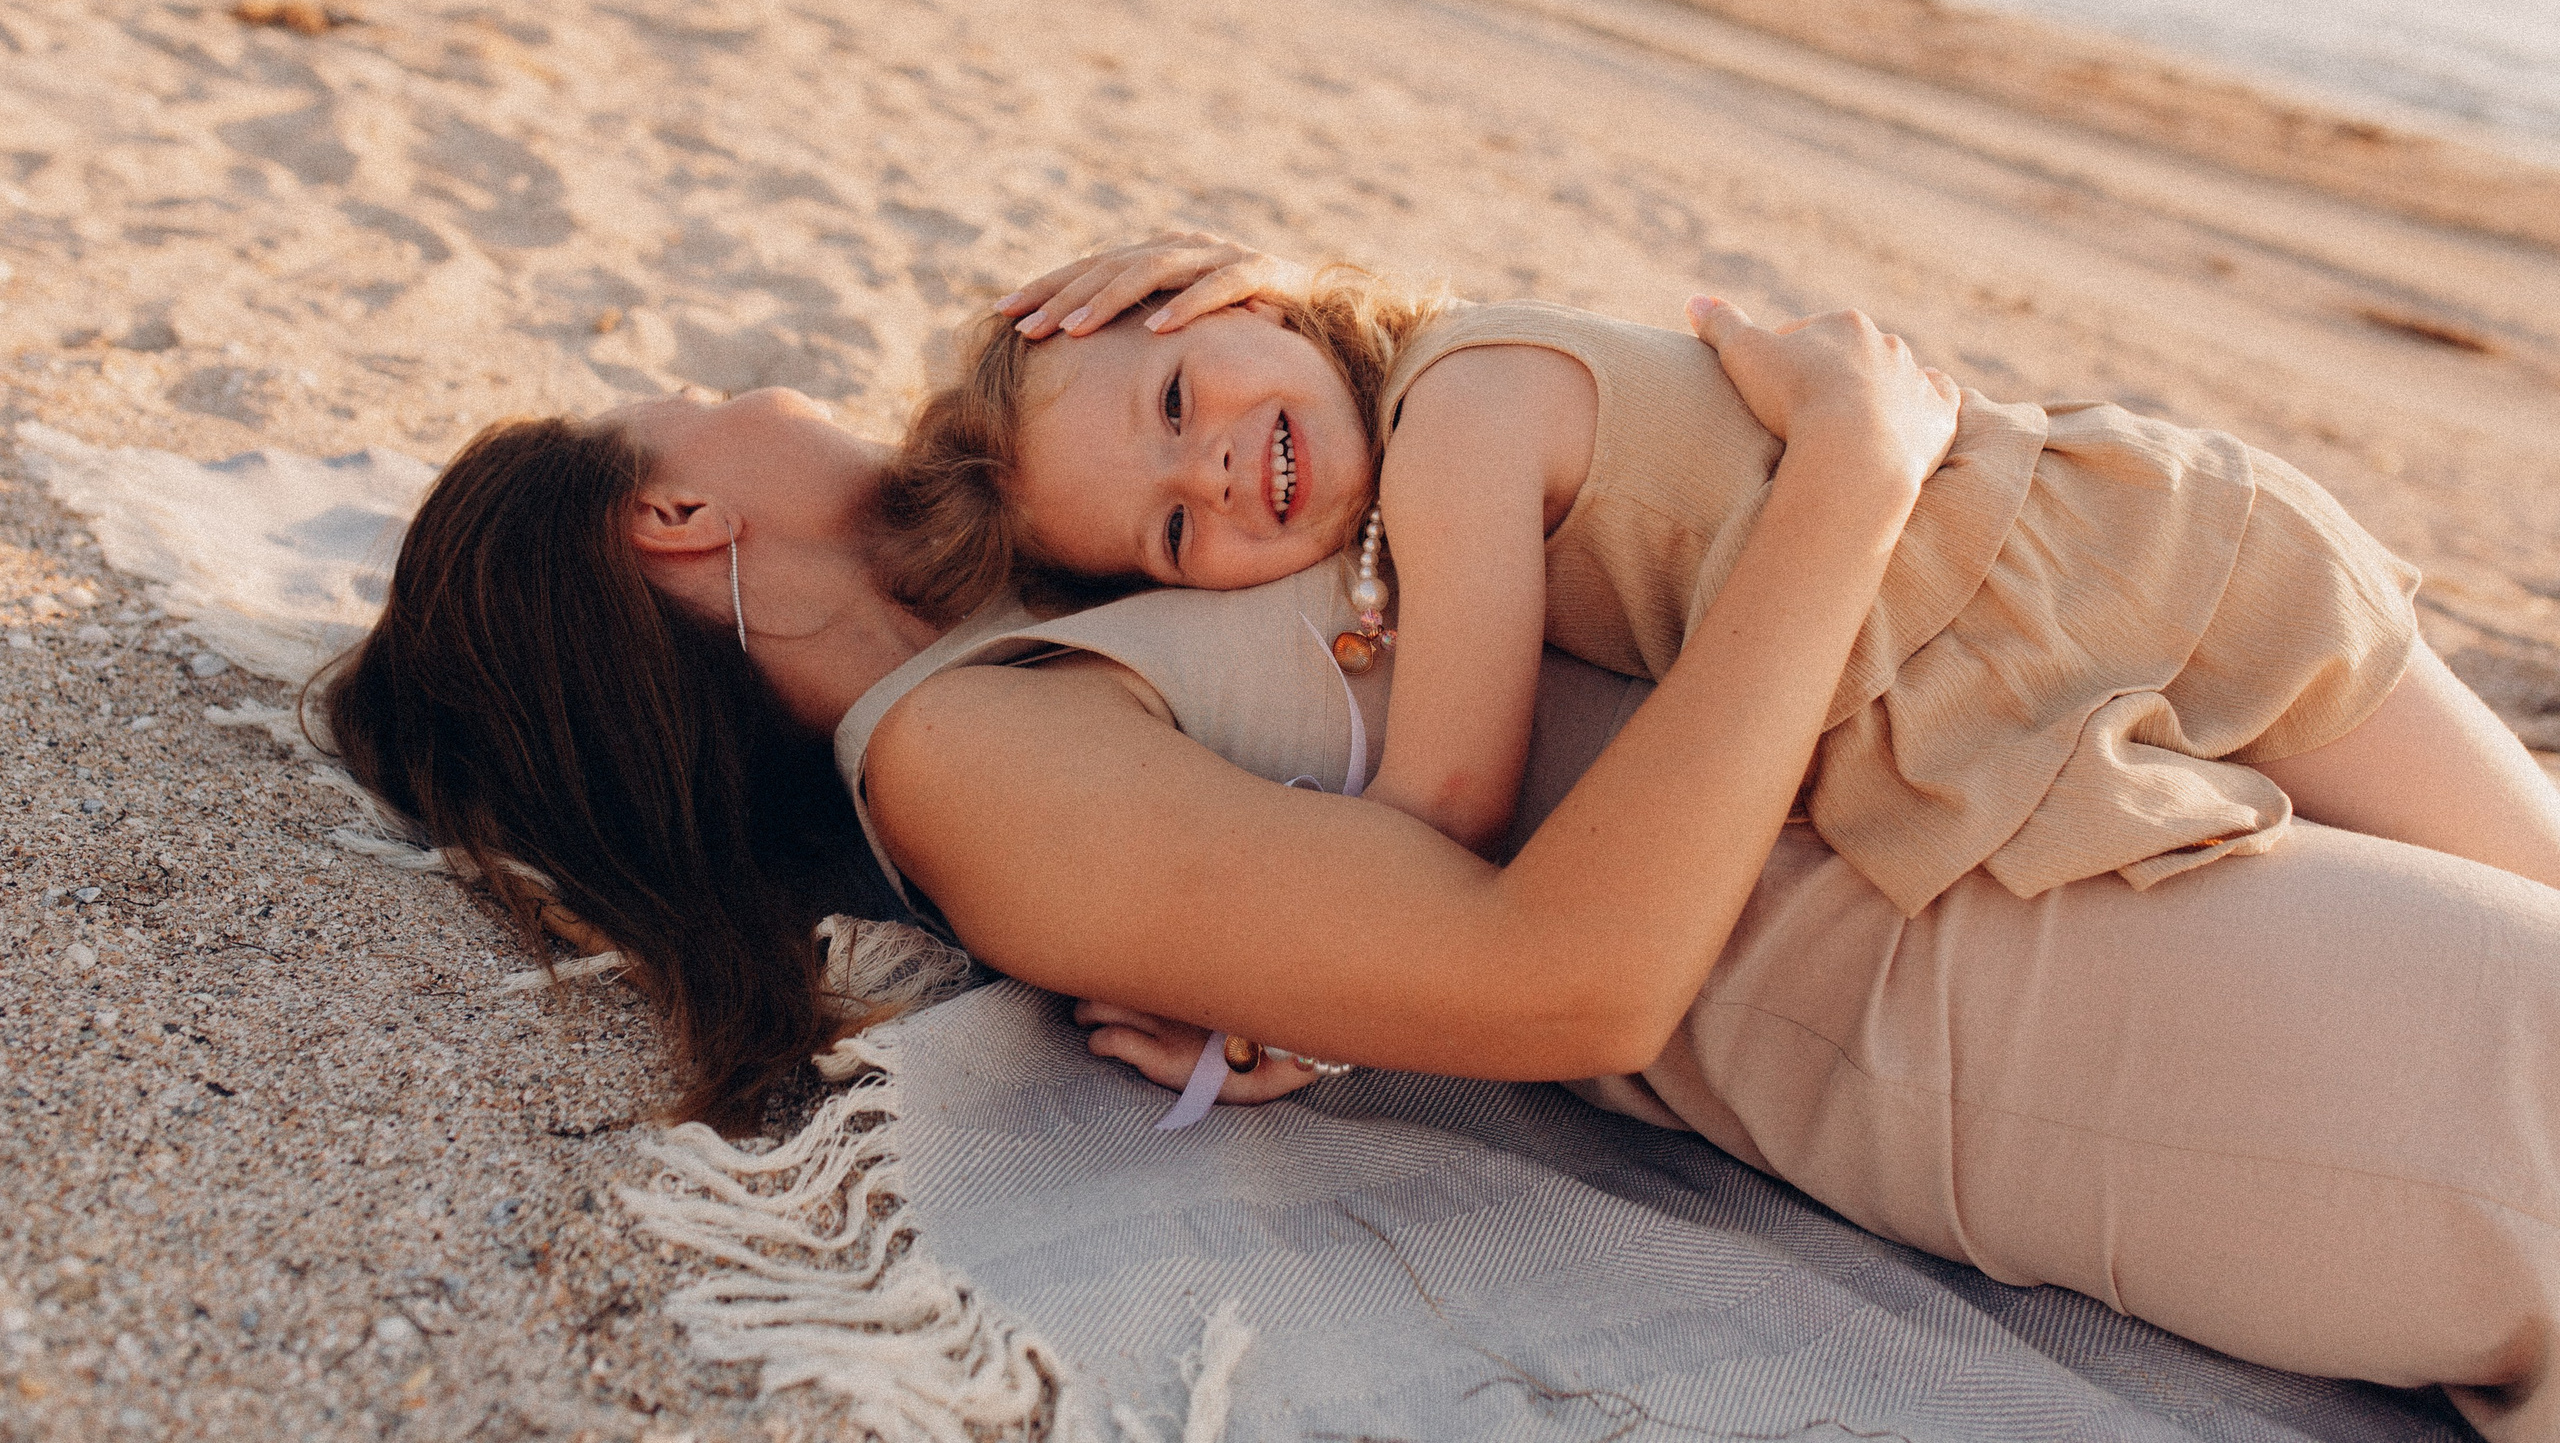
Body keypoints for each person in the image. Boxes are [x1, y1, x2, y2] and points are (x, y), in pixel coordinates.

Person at [318, 234, 2560, 1436]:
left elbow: (1415, 489)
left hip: (2059, 771)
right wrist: (1850, 477)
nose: (756, 378)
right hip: (1998, 981)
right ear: (674, 508)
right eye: (694, 398)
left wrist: (1261, 288)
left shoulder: (1055, 587)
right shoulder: (967, 768)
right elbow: (1556, 981)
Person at [875, 257, 2560, 917]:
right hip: (2039, 652)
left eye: (1183, 403)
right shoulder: (1404, 428)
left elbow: (1446, 800)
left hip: (2163, 573)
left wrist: (1283, 1000)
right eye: (1173, 532)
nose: (1222, 475)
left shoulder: (1458, 407)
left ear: (1234, 294)